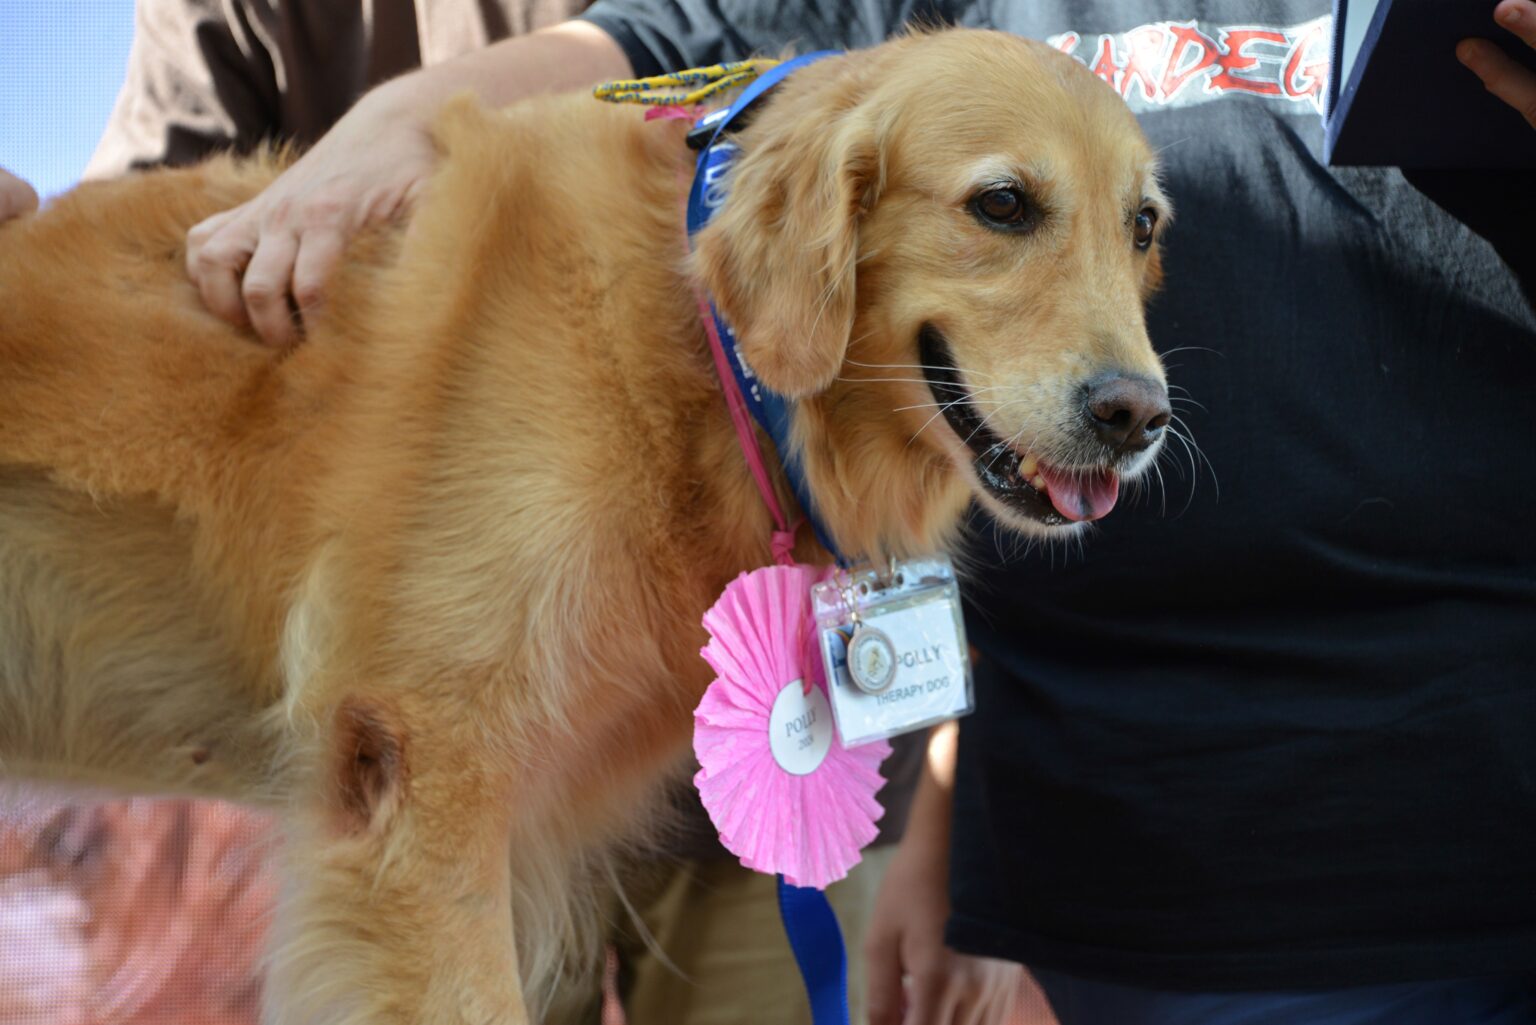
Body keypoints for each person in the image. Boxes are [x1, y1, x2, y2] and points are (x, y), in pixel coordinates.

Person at [6, 2, 1536, 1024]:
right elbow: (677, 42)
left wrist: (937, 818)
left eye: (1135, 236)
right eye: (1007, 210)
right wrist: (404, 121)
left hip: (846, 806)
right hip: (1027, 836)